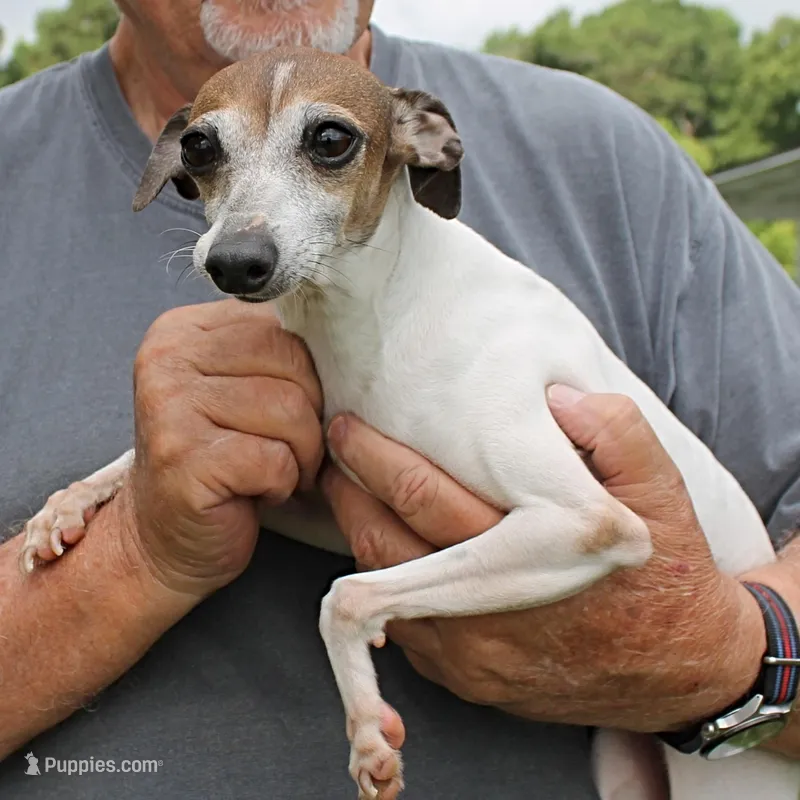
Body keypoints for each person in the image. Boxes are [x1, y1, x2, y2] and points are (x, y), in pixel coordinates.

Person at [0, 1, 798, 797]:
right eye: (209, 152)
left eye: (330, 143)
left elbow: (590, 533)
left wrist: (724, 657)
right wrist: (136, 547)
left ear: (421, 152)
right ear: (179, 161)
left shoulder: (606, 158)